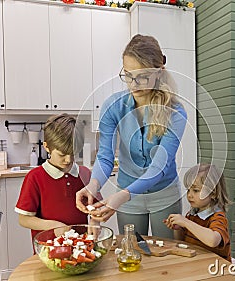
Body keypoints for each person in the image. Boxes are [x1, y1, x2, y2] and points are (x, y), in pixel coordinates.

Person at [76, 34, 187, 238]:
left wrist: (121, 196)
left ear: (159, 72)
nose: (133, 84)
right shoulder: (113, 106)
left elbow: (159, 167)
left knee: (167, 259)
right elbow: (105, 156)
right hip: (126, 194)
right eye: (128, 75)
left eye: (142, 76)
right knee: (132, 250)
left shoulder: (176, 112)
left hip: (164, 194)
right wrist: (93, 185)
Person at [15, 113, 97, 242]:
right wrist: (54, 226)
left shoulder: (85, 174)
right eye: (62, 154)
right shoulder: (35, 178)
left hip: (81, 247)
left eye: (73, 153)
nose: (68, 159)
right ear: (47, 147)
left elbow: (95, 208)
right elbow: (24, 219)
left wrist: (95, 220)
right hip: (47, 249)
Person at [164, 163, 232, 261]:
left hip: (216, 269)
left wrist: (186, 222)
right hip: (197, 264)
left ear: (213, 193)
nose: (189, 195)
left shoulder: (218, 217)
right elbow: (180, 241)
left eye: (195, 190)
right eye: (188, 190)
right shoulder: (192, 215)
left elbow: (213, 240)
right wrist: (178, 228)